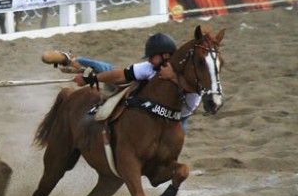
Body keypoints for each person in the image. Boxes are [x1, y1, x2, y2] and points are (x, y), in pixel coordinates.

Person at [70, 33, 202, 130]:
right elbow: (121, 74)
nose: (150, 60)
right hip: (161, 115)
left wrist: (173, 77)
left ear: (166, 55)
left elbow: (197, 89)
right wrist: (91, 79)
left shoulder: (186, 68)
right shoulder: (150, 67)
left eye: (152, 57)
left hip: (180, 117)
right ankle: (76, 60)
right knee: (110, 71)